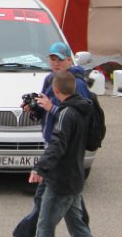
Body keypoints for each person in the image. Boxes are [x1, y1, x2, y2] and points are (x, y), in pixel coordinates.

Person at [13, 42, 92, 237]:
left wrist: (41, 168)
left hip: (62, 160)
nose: (56, 63)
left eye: (59, 59)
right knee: (74, 219)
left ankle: (22, 234)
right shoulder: (51, 80)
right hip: (60, 161)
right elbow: (49, 113)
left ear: (69, 60)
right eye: (52, 59)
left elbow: (77, 116)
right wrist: (35, 109)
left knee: (45, 222)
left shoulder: (76, 84)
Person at [30, 71, 93, 237]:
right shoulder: (81, 110)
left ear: (56, 91)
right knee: (77, 227)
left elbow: (57, 145)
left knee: (44, 228)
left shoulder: (66, 114)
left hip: (61, 181)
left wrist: (39, 168)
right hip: (75, 178)